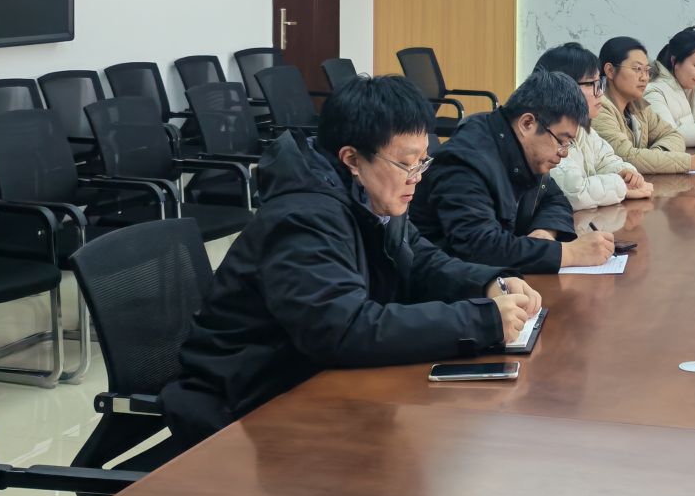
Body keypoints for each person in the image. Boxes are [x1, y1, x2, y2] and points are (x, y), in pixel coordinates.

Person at [159, 75, 541, 448]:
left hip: (309, 381)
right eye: (407, 164)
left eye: (423, 162)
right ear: (352, 159)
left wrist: (488, 282)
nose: (417, 178)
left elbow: (420, 260)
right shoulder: (303, 218)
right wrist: (482, 320)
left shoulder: (371, 194)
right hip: (244, 405)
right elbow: (342, 329)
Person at [410, 69, 617, 273]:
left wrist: (545, 232)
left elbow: (555, 198)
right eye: (561, 141)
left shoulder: (521, 148)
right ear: (527, 123)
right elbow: (480, 247)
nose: (563, 153)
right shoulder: (465, 162)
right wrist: (569, 253)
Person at [534, 42, 654, 210]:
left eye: (600, 83)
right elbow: (575, 193)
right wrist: (621, 186)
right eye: (592, 84)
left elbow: (606, 159)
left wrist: (626, 173)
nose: (601, 93)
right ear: (562, 85)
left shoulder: (582, 127)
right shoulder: (542, 131)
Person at [592, 35, 695, 175]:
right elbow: (626, 157)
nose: (645, 77)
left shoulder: (638, 105)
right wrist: (692, 162)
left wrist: (657, 156)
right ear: (610, 71)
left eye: (647, 70)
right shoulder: (598, 108)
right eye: (637, 69)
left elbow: (674, 135)